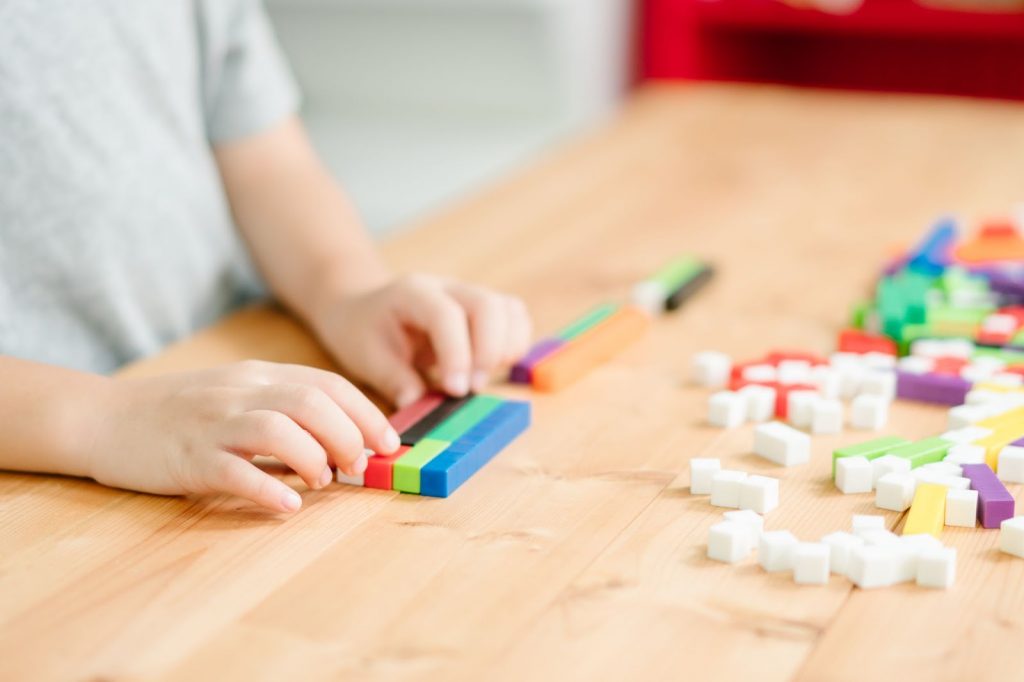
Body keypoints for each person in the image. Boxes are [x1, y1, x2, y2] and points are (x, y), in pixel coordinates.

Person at [0, 1, 532, 513]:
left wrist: (345, 290)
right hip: (45, 477)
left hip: (210, 383)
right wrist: (108, 421)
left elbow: (267, 163)